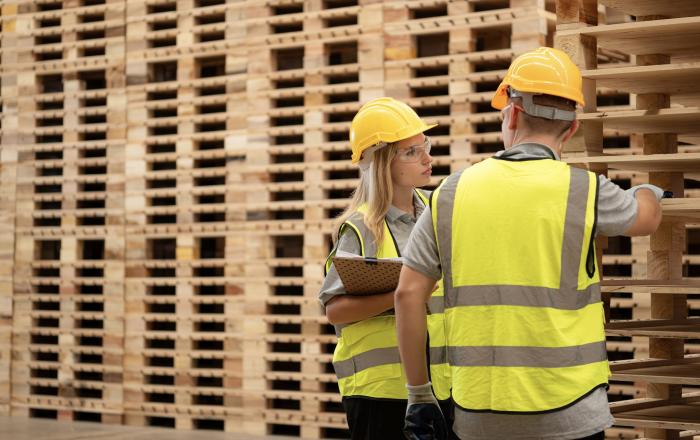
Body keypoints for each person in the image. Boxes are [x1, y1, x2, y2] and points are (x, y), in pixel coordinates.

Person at [394, 47, 665, 440]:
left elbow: (407, 294)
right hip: (571, 411)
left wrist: (419, 395)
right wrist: (648, 190)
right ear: (571, 129)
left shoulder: (451, 193)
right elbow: (647, 219)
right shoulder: (585, 190)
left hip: (480, 415)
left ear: (512, 114)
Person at [319, 97, 454, 439]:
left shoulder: (438, 213)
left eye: (426, 146)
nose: (427, 158)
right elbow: (335, 310)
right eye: (411, 152)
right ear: (382, 162)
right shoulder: (361, 227)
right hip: (380, 394)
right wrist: (404, 294)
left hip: (442, 385)